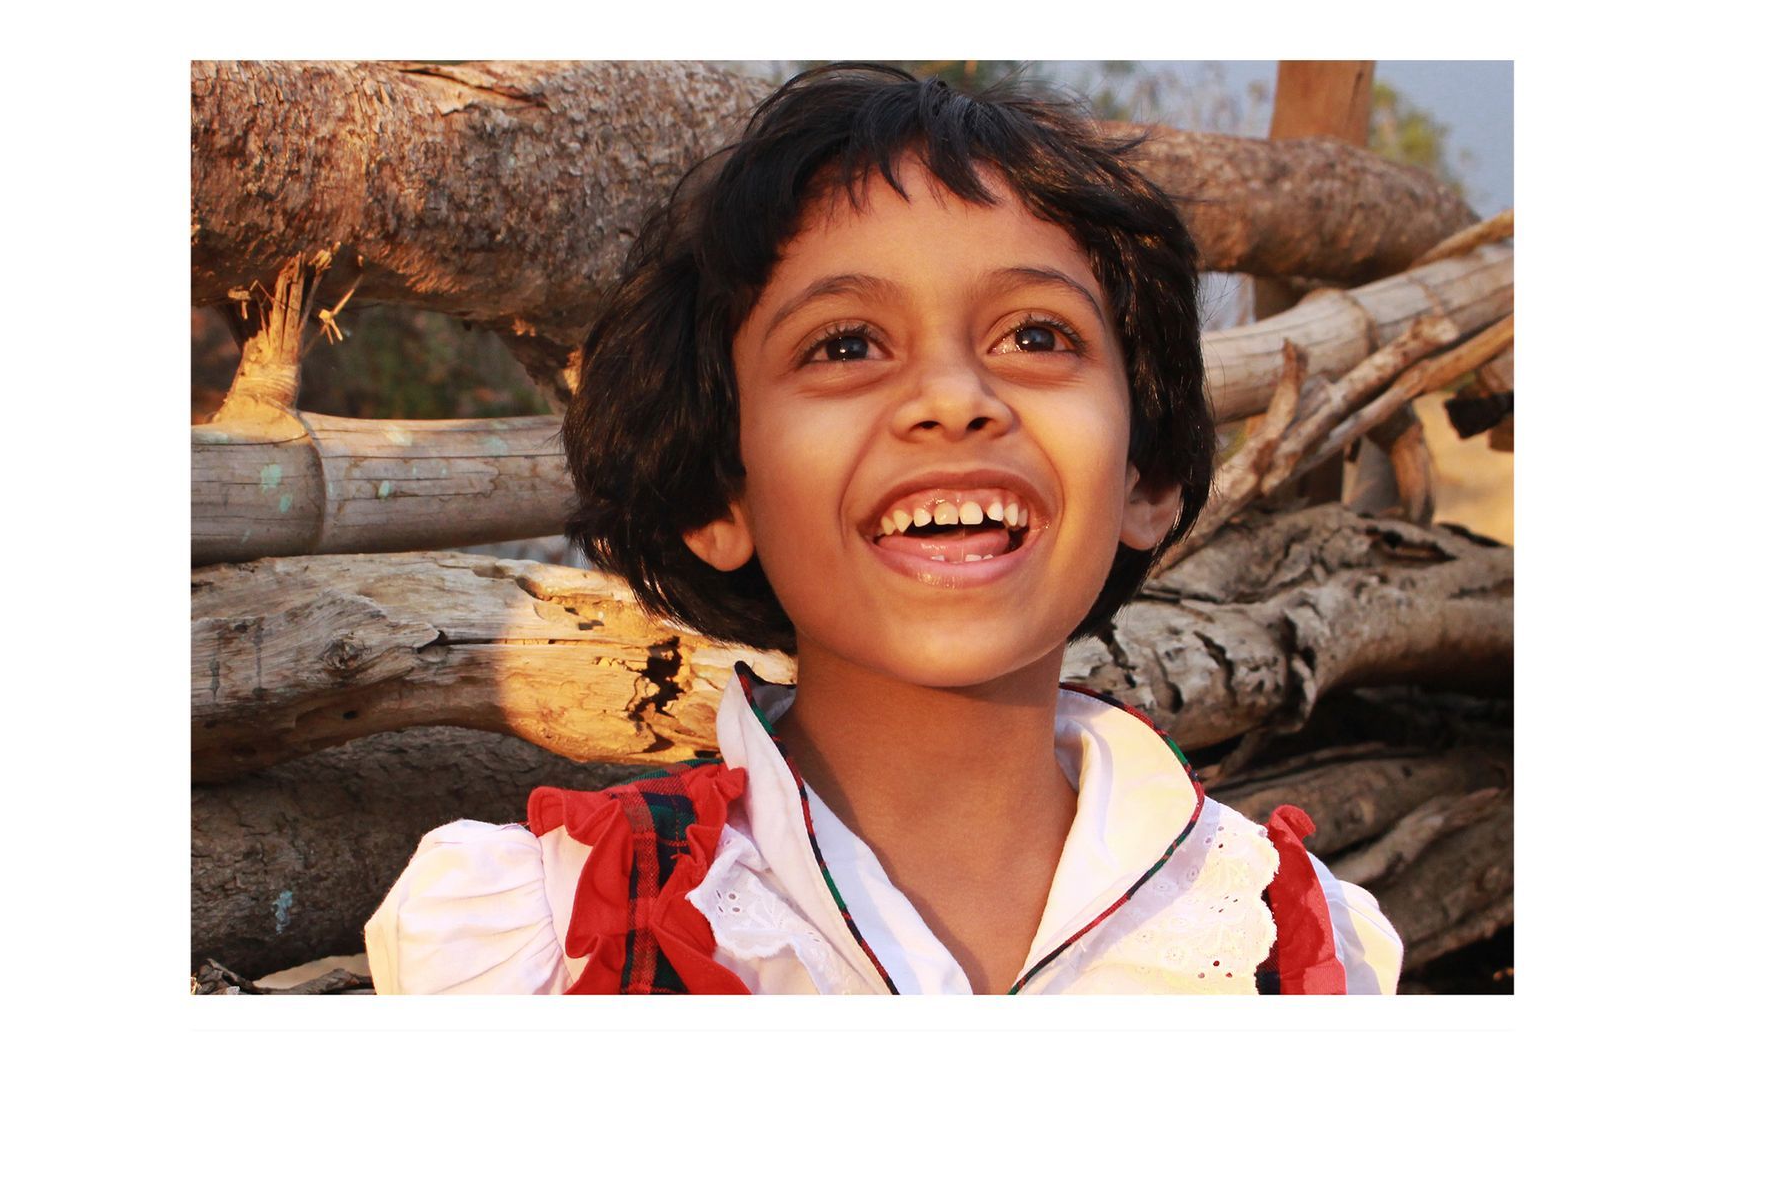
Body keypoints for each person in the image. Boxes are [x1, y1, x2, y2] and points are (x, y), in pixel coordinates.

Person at [364, 63, 1403, 995]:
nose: (953, 399)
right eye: (847, 343)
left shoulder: (1291, 942)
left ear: (1149, 475)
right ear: (718, 494)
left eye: (1036, 334)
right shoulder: (549, 940)